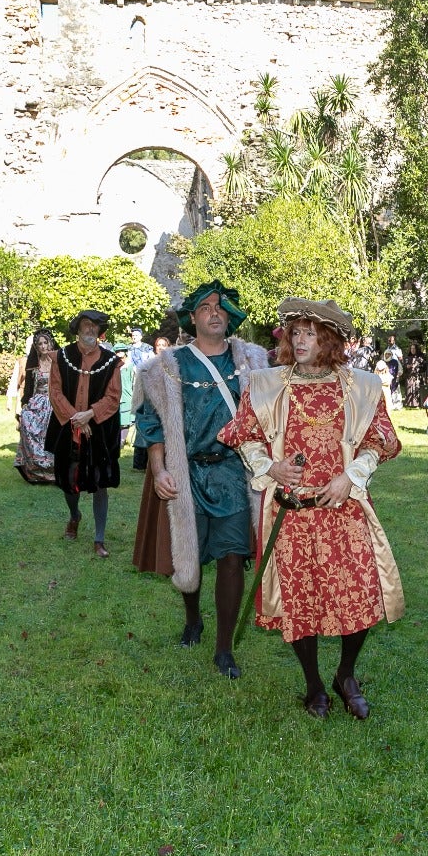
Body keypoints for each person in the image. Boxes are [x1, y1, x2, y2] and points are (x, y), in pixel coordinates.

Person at [218, 297, 403, 719]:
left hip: (344, 505)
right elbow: (243, 434)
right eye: (295, 332)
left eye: (310, 333)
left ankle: (346, 674)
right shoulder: (266, 384)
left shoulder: (362, 385)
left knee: (360, 594)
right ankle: (315, 686)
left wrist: (351, 476)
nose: (300, 340)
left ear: (331, 339)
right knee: (301, 603)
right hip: (293, 510)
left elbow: (381, 439)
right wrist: (271, 467)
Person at [134, 281, 271, 680]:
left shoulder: (254, 363)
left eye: (221, 307)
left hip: (234, 472)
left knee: (232, 557)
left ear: (230, 317)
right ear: (192, 318)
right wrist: (159, 469)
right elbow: (152, 423)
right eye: (205, 307)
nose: (214, 312)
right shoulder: (165, 367)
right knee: (187, 555)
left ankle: (224, 649)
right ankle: (193, 619)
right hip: (186, 471)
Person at [47, 310, 124, 558]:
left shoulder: (111, 361)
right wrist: (75, 418)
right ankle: (74, 516)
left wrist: (89, 415)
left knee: (100, 482)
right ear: (78, 329)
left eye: (94, 326)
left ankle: (99, 539)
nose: (90, 330)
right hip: (68, 426)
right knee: (70, 482)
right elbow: (55, 392)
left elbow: (113, 396)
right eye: (86, 325)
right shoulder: (62, 357)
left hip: (99, 429)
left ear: (99, 331)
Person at [11, 329, 58, 485]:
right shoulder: (33, 365)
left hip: (55, 403)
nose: (43, 346)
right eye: (40, 344)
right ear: (36, 347)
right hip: (37, 403)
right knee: (29, 428)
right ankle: (35, 472)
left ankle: (53, 472)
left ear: (51, 343)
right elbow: (29, 388)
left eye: (46, 343)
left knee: (51, 437)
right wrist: (24, 406)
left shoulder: (58, 362)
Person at [402, 341, 427, 409]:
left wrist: (417, 366)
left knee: (417, 389)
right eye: (411, 348)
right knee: (409, 389)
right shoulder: (407, 357)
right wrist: (407, 366)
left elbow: (424, 366)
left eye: (414, 348)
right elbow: (404, 365)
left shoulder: (420, 358)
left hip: (417, 376)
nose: (412, 350)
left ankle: (418, 403)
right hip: (409, 376)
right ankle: (409, 403)